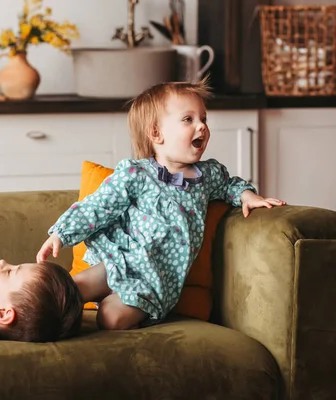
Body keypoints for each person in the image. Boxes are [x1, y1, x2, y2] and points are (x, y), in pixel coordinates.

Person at [36, 79, 286, 331]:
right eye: (188, 119)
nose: (201, 126)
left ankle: (109, 302)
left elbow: (230, 185)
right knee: (66, 292)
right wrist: (62, 233)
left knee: (112, 319)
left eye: (204, 118)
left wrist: (246, 195)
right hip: (119, 259)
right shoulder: (136, 173)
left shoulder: (208, 175)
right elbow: (98, 206)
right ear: (156, 133)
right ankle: (29, 316)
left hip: (153, 282)